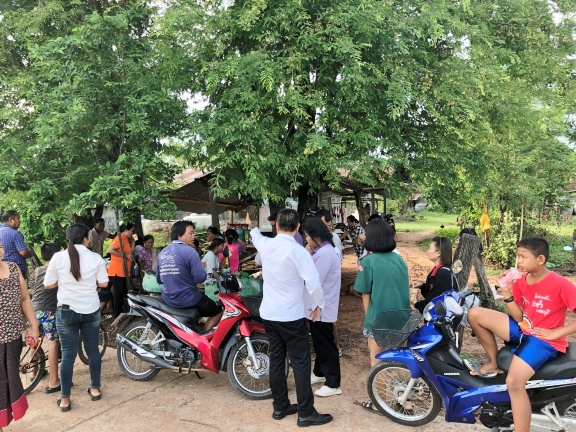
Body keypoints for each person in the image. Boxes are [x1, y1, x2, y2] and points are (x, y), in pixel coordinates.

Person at [467, 237, 576, 432]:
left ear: (540, 259)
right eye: (518, 256)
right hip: (524, 328)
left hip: (542, 339)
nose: (519, 261)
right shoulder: (520, 281)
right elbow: (519, 316)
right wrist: (507, 293)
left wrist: (557, 332)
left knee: (514, 383)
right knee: (474, 314)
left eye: (524, 257)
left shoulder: (560, 284)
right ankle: (494, 362)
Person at [251, 209, 332, 427]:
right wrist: (319, 304)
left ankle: (280, 406)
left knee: (277, 359)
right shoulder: (298, 252)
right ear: (297, 228)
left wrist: (253, 226)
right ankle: (305, 412)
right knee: (300, 363)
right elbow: (313, 283)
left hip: (269, 314)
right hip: (291, 316)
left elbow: (255, 234)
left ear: (276, 226)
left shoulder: (265, 245)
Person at [44, 224, 109, 412]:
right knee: (93, 350)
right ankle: (95, 389)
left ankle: (65, 399)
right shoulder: (95, 258)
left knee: (68, 355)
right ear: (86, 239)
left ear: (68, 239)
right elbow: (104, 283)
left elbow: (48, 284)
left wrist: (63, 281)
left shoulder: (58, 257)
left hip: (67, 311)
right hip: (91, 310)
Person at [353, 219, 409, 415]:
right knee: (402, 361)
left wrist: (368, 319)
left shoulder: (367, 262)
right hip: (402, 318)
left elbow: (365, 293)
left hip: (378, 319)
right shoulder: (399, 260)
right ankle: (405, 401)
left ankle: (379, 403)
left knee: (377, 362)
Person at [0, 238, 39, 430]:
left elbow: (24, 299)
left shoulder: (14, 268)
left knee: (8, 380)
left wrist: (34, 325)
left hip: (13, 338)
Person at [156, 221, 222, 332]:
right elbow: (200, 278)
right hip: (188, 298)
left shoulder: (163, 252)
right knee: (218, 311)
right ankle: (205, 337)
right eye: (191, 233)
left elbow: (159, 280)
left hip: (168, 299)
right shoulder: (190, 251)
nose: (193, 236)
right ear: (180, 235)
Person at [302, 217, 342, 397]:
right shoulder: (321, 250)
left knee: (326, 345)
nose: (306, 239)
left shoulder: (325, 253)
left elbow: (314, 280)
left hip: (321, 307)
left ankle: (333, 383)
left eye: (307, 235)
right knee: (320, 342)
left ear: (315, 236)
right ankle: (319, 373)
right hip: (318, 306)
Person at [32, 242, 62, 393]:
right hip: (48, 311)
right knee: (53, 342)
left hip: (34, 309)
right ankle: (54, 381)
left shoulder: (38, 269)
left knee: (35, 340)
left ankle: (35, 372)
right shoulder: (56, 271)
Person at [411, 236, 458, 313]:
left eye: (430, 248)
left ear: (438, 253)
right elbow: (435, 292)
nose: (427, 251)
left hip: (441, 318)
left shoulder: (443, 275)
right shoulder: (440, 270)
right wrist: (423, 286)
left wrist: (416, 304)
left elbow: (433, 303)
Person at [107, 223, 135, 318]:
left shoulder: (126, 239)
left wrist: (133, 242)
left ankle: (122, 311)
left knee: (123, 291)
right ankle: (117, 314)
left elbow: (129, 253)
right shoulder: (119, 238)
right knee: (118, 293)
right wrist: (124, 255)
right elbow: (110, 250)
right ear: (126, 230)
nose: (132, 233)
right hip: (117, 270)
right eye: (131, 231)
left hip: (123, 270)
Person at [0, 210, 33, 279]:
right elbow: (23, 253)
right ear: (11, 220)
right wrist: (30, 253)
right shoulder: (15, 233)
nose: (19, 221)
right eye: (18, 219)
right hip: (16, 270)